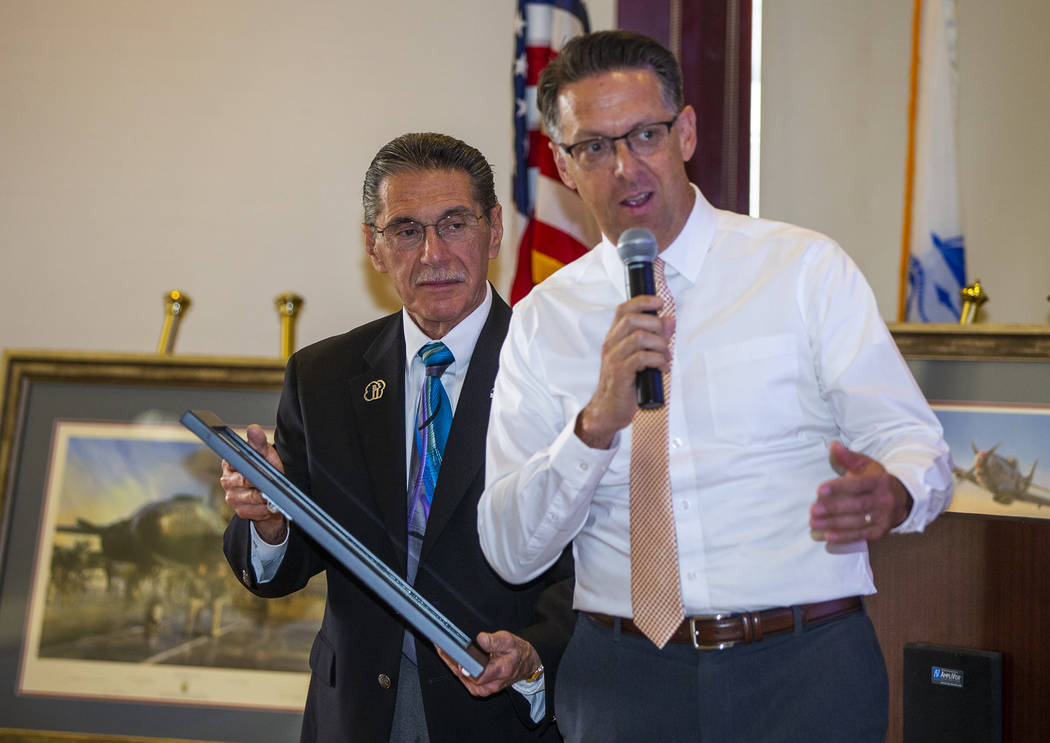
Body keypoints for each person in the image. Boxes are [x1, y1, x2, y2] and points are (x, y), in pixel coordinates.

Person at [477, 31, 953, 742]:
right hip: (621, 680)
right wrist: (593, 428)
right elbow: (510, 546)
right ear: (564, 167)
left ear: (687, 131)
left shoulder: (800, 270)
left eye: (645, 134)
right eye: (596, 148)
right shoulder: (545, 319)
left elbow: (915, 443)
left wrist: (896, 492)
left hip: (803, 666)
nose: (625, 167)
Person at [222, 133, 573, 743]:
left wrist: (535, 652)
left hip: (501, 714)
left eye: (454, 224)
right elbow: (282, 567)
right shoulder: (323, 376)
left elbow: (593, 558)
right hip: (356, 713)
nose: (433, 254)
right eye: (406, 230)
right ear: (373, 247)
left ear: (494, 229)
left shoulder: (560, 369)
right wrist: (270, 521)